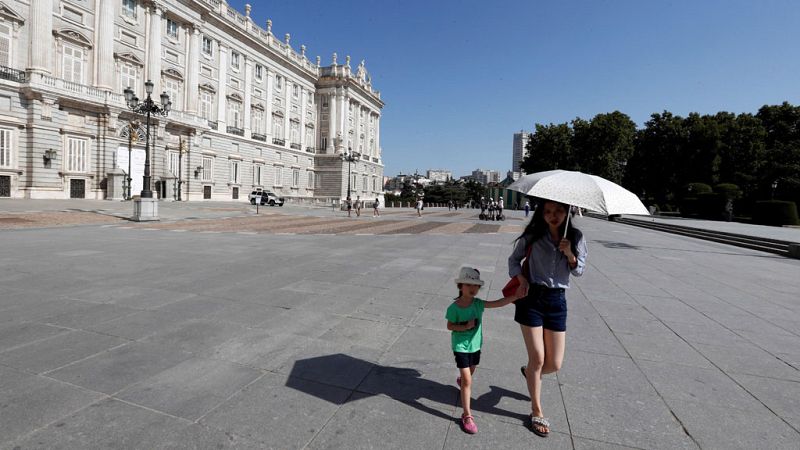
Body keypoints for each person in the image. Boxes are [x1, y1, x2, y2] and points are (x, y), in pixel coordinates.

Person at [508, 200, 587, 438]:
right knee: (539, 358)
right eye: (549, 211)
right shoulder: (532, 235)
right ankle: (536, 409)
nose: (554, 216)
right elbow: (513, 260)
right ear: (542, 213)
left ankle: (530, 371)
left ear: (568, 212)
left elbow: (579, 270)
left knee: (555, 364)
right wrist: (520, 278)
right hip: (531, 297)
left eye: (559, 211)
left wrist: (570, 254)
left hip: (556, 301)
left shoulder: (576, 236)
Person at [446, 267, 519, 434]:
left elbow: (498, 303)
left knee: (471, 371)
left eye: (476, 286)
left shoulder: (478, 304)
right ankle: (467, 415)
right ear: (460, 286)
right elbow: (449, 326)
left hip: (476, 345)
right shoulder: (454, 308)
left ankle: (463, 380)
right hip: (460, 346)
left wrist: (515, 296)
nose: (473, 288)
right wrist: (465, 326)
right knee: (467, 380)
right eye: (469, 285)